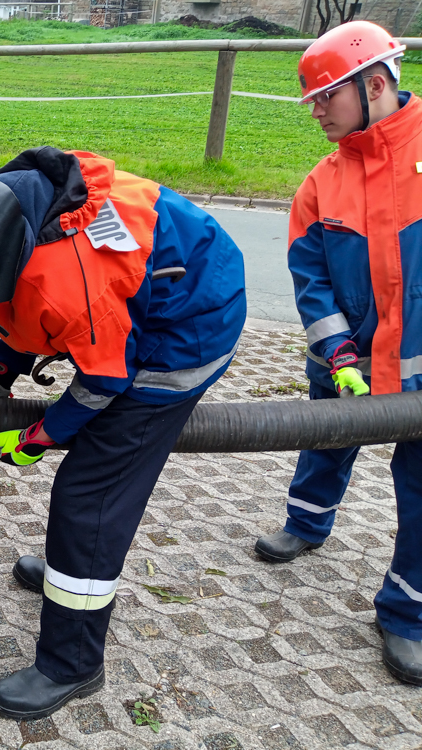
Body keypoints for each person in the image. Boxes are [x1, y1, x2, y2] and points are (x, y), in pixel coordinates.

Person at [0, 148, 246, 719]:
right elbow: (19, 296)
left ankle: (73, 660)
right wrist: (0, 375)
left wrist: (43, 434)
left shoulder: (64, 281)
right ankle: (73, 572)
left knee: (89, 496)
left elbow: (104, 377)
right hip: (132, 300)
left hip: (183, 334)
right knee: (84, 492)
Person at [252, 21, 422, 685]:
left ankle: (406, 615)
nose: (316, 109)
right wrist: (340, 356)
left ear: (373, 84)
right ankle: (307, 523)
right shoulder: (319, 186)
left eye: (326, 96)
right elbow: (311, 279)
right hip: (347, 366)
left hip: (418, 375)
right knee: (325, 441)